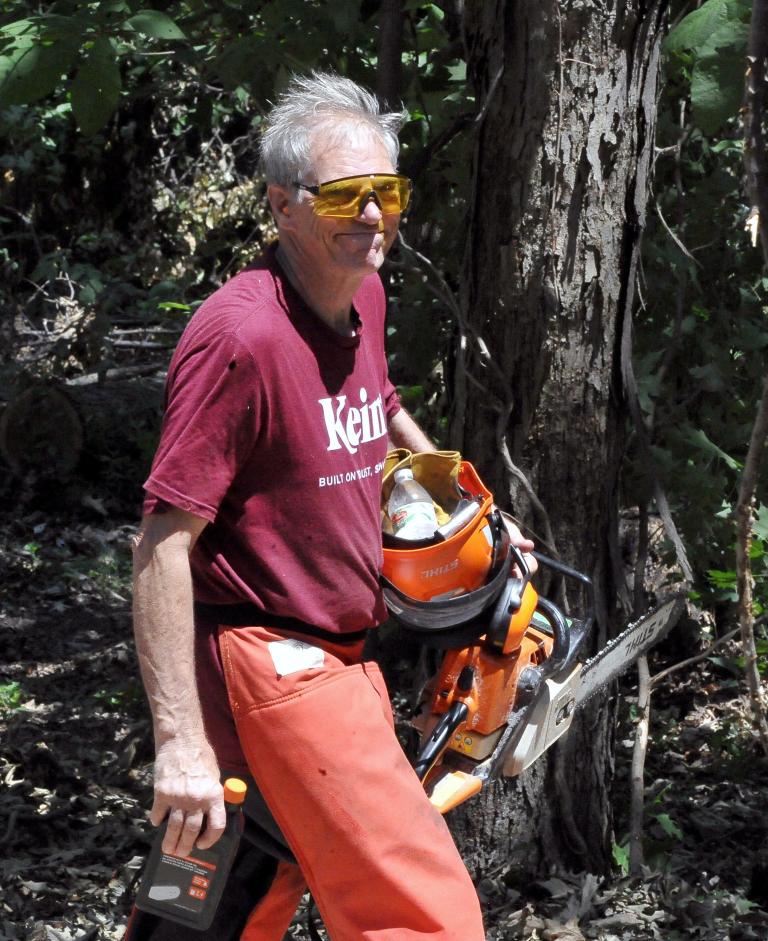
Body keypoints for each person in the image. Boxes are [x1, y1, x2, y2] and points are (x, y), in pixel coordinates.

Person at [123, 71, 520, 940]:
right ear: (283, 206)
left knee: (219, 892)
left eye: (387, 192)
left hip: (338, 654)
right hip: (279, 665)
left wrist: (456, 496)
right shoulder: (241, 338)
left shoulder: (360, 295)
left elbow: (371, 404)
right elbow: (160, 543)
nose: (372, 215)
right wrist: (181, 743)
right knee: (426, 916)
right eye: (346, 195)